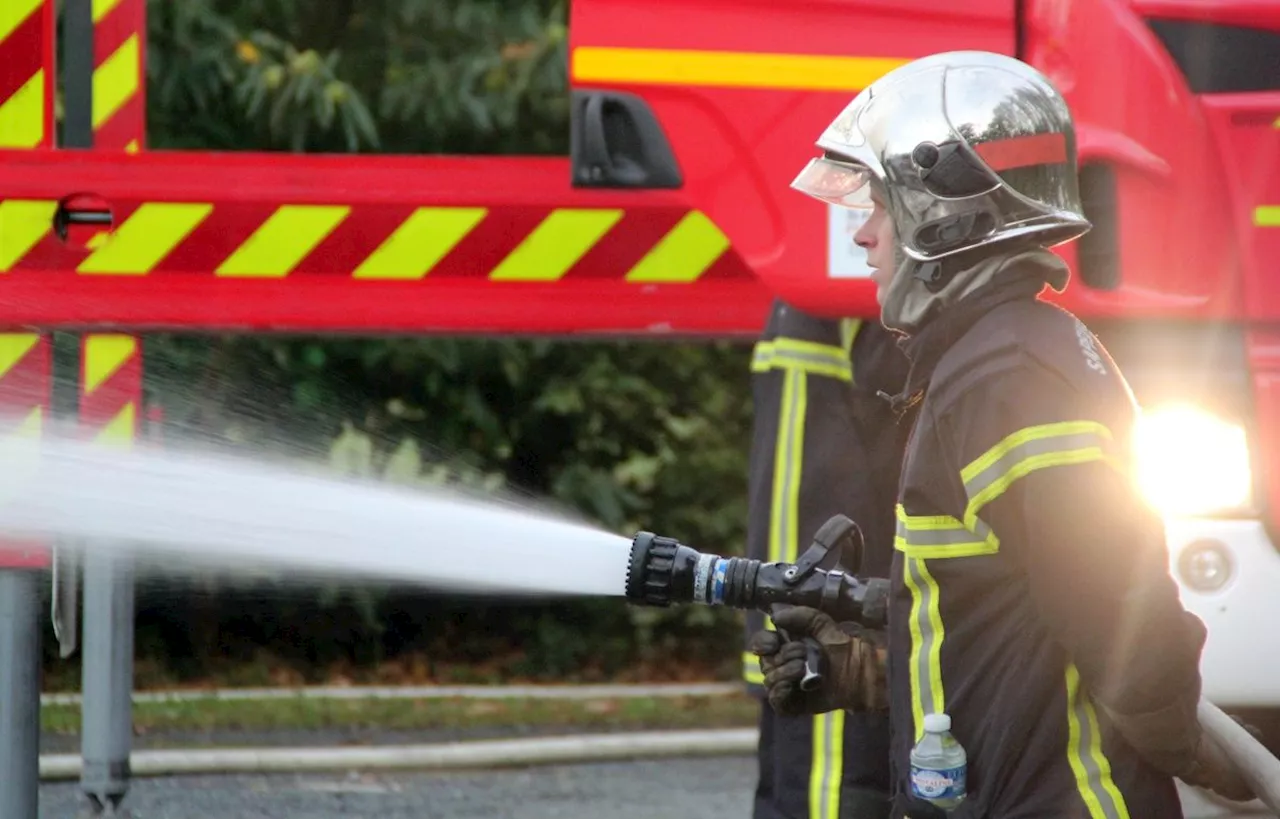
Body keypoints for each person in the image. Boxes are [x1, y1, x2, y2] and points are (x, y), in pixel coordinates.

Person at [748, 50, 1256, 818]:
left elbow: (1119, 616)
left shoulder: (1008, 374)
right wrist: (874, 673)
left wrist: (1191, 746)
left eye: (880, 206)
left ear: (945, 217)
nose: (863, 236)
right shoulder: (985, 362)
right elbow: (1015, 626)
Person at [743, 296, 911, 819]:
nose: (864, 231)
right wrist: (812, 638)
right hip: (844, 647)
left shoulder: (847, 289)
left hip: (879, 648)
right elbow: (806, 495)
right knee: (828, 794)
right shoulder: (823, 296)